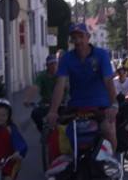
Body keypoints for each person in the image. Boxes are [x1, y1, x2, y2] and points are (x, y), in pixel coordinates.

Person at [45, 23, 118, 151]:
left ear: (88, 37)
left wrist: (113, 105)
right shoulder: (66, 58)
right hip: (76, 108)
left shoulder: (101, 55)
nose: (77, 41)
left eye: (81, 36)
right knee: (59, 137)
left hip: (100, 106)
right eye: (74, 37)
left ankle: (114, 161)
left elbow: (108, 81)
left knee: (108, 130)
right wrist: (53, 111)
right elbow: (60, 85)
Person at [28, 54, 59, 132]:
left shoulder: (61, 74)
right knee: (35, 114)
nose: (54, 66)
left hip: (60, 103)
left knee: (67, 117)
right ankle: (43, 132)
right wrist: (28, 99)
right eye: (51, 64)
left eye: (55, 63)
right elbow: (35, 86)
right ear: (47, 65)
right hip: (46, 103)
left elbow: (68, 85)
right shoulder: (42, 75)